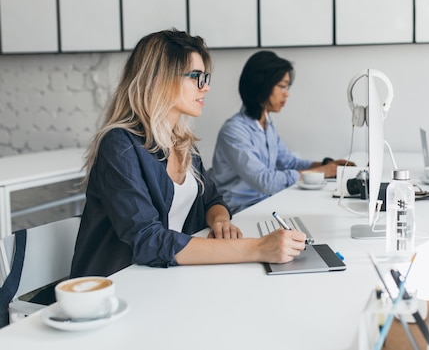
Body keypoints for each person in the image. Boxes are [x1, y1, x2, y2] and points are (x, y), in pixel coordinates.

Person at [70, 30, 305, 278]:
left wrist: (220, 221)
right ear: (158, 79)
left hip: (163, 277)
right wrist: (258, 248)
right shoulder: (119, 145)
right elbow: (148, 240)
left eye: (206, 77)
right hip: (116, 286)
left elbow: (212, 200)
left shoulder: (182, 142)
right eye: (196, 77)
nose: (206, 87)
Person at [209, 50, 352, 214]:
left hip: (264, 204)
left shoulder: (267, 125)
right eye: (282, 86)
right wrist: (321, 172)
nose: (287, 93)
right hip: (239, 213)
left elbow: (289, 162)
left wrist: (327, 165)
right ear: (262, 85)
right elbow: (264, 181)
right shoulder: (234, 131)